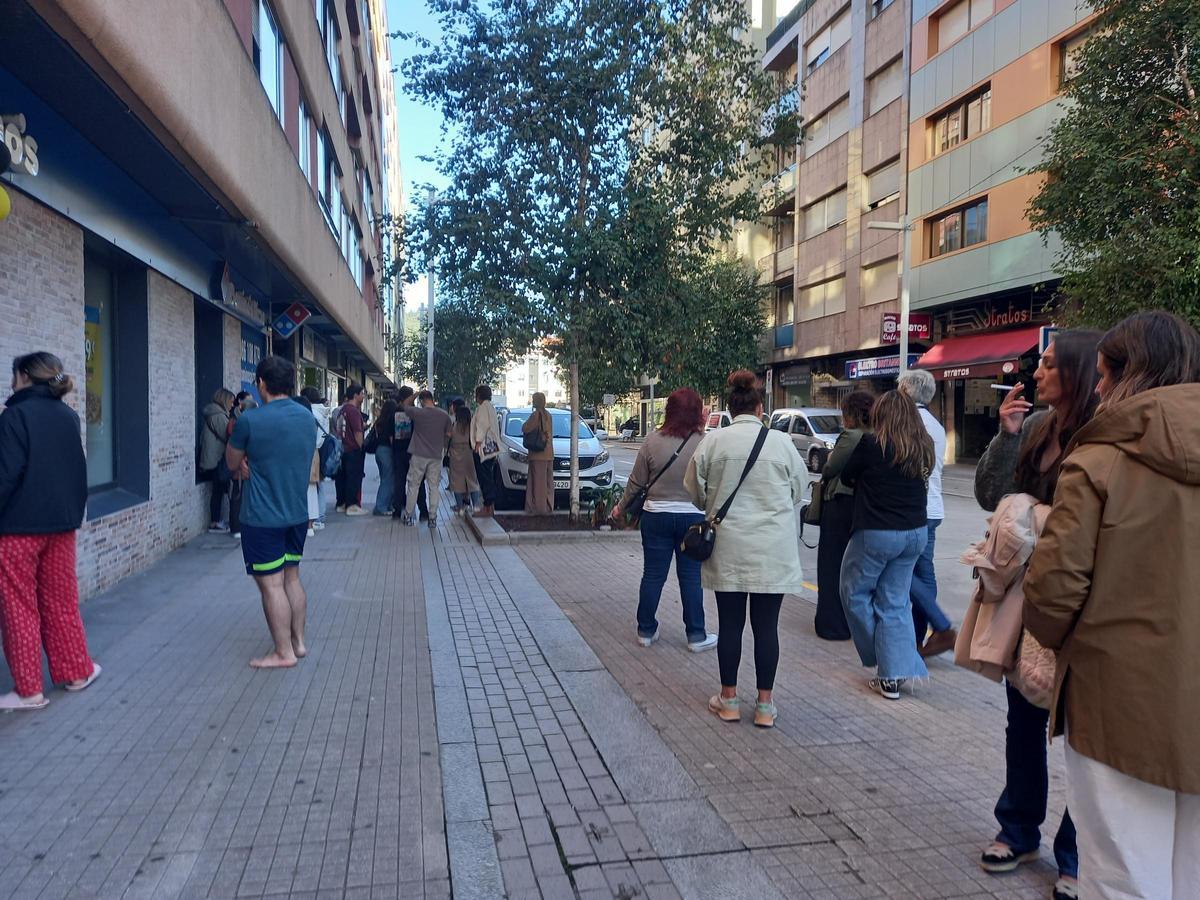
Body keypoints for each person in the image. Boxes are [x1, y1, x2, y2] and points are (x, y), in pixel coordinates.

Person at [1024, 312, 1200, 900]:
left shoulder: (1097, 459)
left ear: (1131, 375)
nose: (1097, 388)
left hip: (1119, 700)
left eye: (1103, 375)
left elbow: (1053, 591)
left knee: (1123, 872)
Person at [971, 330, 1100, 897]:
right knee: (1022, 718)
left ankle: (1077, 853)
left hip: (1081, 598)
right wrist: (1006, 436)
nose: (1037, 372)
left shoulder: (1102, 434)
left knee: (1081, 734)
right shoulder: (1038, 428)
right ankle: (1019, 829)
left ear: (1077, 372)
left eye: (1048, 364)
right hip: (1027, 595)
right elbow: (990, 496)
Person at [684, 371, 807, 728]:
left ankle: (729, 700)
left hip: (728, 547)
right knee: (767, 628)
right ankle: (765, 706)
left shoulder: (713, 442)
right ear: (759, 409)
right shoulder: (781, 443)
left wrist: (713, 504)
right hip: (772, 549)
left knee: (730, 625)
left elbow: (694, 489)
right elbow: (798, 489)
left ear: (730, 409)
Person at [0, 352, 101, 711]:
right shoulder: (67, 416)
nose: (10, 382)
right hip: (62, 525)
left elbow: (6, 474)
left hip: (18, 528)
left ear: (25, 376)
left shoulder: (14, 417)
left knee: (19, 608)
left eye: (13, 375)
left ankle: (29, 691)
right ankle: (76, 671)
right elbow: (76, 469)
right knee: (61, 602)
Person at [838, 391, 934, 701]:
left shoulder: (871, 444)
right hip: (916, 532)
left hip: (877, 531)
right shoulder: (924, 445)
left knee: (853, 593)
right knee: (895, 601)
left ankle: (886, 660)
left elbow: (847, 476)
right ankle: (893, 675)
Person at [226, 356, 316, 669]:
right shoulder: (306, 417)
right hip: (297, 513)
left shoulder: (250, 420)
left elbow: (231, 462)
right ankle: (298, 643)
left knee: (272, 586)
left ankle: (283, 653)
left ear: (261, 383)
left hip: (262, 517)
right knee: (292, 578)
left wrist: (245, 461)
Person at [614, 387, 715, 653]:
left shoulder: (652, 441)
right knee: (691, 578)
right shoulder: (705, 443)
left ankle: (646, 631)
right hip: (692, 518)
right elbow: (713, 484)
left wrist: (620, 507)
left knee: (653, 574)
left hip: (656, 516)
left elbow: (636, 482)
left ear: (669, 411)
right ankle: (696, 635)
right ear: (697, 412)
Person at [896, 369, 956, 657]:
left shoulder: (906, 423)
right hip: (932, 507)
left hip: (911, 509)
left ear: (905, 391)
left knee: (899, 568)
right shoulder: (936, 426)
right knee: (923, 572)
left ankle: (941, 626)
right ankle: (918, 639)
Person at [814, 390, 874, 641]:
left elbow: (830, 468)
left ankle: (832, 623)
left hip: (840, 504)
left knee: (831, 565)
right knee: (857, 568)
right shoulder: (878, 435)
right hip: (864, 507)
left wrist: (830, 457)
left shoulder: (852, 436)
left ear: (851, 414)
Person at [403, 390, 452, 528]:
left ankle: (408, 516)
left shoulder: (418, 413)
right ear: (432, 399)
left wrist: (415, 394)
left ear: (422, 401)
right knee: (434, 486)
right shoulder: (444, 415)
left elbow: (405, 404)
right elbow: (449, 434)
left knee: (413, 485)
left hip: (418, 454)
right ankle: (432, 518)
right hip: (436, 455)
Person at [199, 388, 236, 532]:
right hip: (216, 460)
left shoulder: (215, 414)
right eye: (231, 401)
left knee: (219, 491)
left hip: (213, 458)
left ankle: (217, 521)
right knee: (219, 491)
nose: (232, 405)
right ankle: (215, 522)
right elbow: (228, 435)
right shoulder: (218, 416)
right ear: (224, 400)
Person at [392, 387, 429, 522]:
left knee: (399, 482)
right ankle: (423, 511)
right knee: (418, 483)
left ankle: (397, 511)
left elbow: (391, 435)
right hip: (414, 452)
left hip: (398, 452)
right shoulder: (415, 413)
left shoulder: (394, 412)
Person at [300, 386, 332, 529]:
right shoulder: (323, 412)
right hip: (319, 450)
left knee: (311, 487)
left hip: (309, 451)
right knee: (317, 484)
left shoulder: (310, 413)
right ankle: (320, 515)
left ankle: (315, 518)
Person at [226, 393, 257, 539]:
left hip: (243, 463)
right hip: (240, 463)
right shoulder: (238, 422)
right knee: (238, 495)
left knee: (240, 494)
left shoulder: (238, 420)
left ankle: (239, 526)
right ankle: (236, 527)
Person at [334, 384, 367, 516]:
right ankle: (352, 505)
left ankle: (342, 503)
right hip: (353, 449)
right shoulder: (353, 411)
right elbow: (358, 432)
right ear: (355, 395)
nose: (363, 397)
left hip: (343, 448)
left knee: (343, 478)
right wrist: (361, 446)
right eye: (362, 394)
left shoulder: (343, 410)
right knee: (353, 478)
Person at [471, 385, 503, 517]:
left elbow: (482, 425)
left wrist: (478, 442)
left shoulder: (483, 407)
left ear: (479, 395)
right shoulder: (490, 407)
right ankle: (490, 507)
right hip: (490, 447)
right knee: (488, 476)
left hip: (483, 448)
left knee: (484, 477)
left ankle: (487, 506)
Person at [522, 392, 555, 514]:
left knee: (537, 482)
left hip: (538, 453)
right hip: (548, 453)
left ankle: (538, 508)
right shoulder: (548, 415)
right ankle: (548, 505)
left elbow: (525, 428)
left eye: (533, 399)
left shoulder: (536, 415)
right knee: (548, 482)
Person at [448, 404, 482, 513]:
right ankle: (475, 506)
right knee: (473, 481)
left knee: (457, 482)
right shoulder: (472, 427)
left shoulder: (454, 426)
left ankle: (460, 507)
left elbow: (448, 439)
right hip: (470, 455)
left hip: (455, 457)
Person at [371, 399, 397, 516]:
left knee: (385, 478)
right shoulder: (391, 421)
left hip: (379, 451)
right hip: (387, 451)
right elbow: (391, 439)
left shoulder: (379, 421)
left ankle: (387, 504)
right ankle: (381, 506)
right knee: (388, 480)